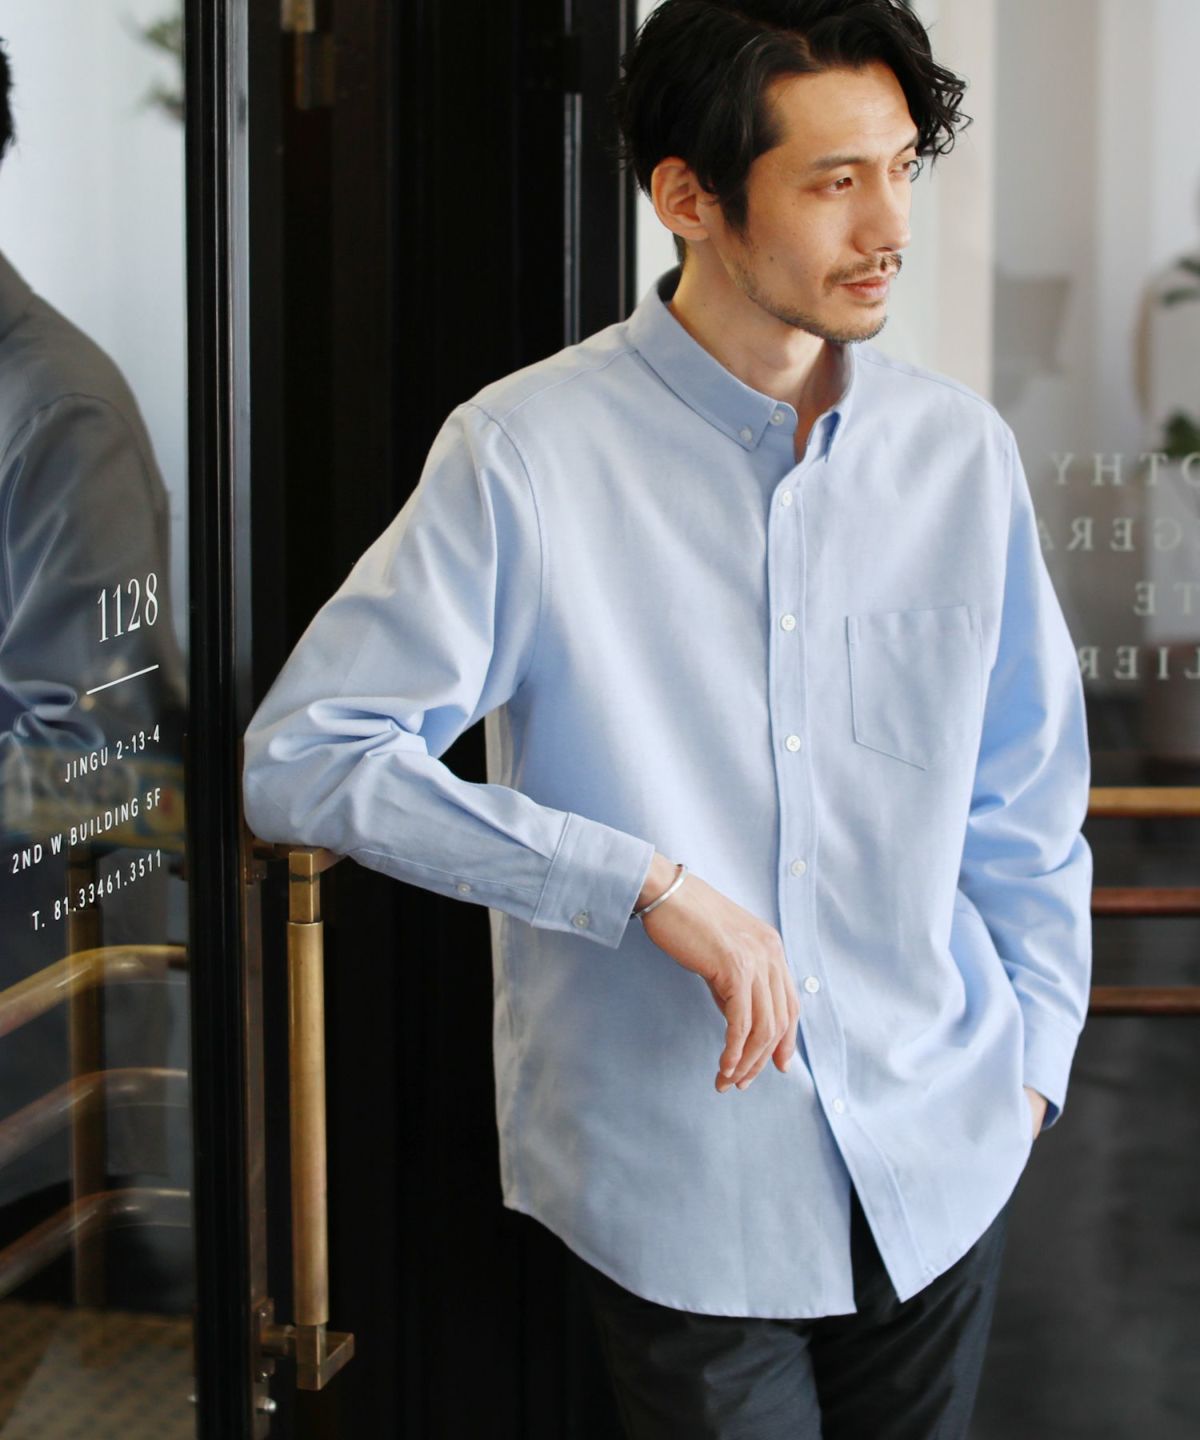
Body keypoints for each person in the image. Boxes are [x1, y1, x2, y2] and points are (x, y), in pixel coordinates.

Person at [242, 1, 1093, 1434]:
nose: (889, 226)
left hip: (946, 1148)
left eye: (901, 168)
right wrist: (640, 882)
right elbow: (307, 759)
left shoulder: (958, 455)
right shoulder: (524, 456)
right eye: (835, 182)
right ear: (688, 198)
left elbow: (1025, 796)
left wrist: (1029, 1078)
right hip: (687, 1181)